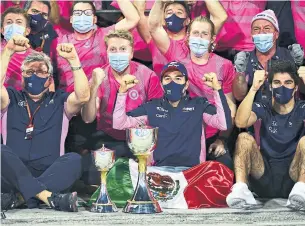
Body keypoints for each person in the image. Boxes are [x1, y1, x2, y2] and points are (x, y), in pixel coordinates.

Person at [95, 61, 233, 209]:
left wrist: (217, 90)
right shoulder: (151, 106)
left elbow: (224, 124)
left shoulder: (199, 104)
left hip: (192, 175)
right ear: (161, 85)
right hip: (158, 174)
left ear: (186, 84)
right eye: (167, 78)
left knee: (218, 171)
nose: (172, 82)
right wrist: (122, 92)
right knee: (120, 167)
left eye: (178, 78)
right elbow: (119, 123)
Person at [1, 35, 90, 212]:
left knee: (74, 160)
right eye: (29, 71)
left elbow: (83, 96)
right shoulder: (10, 97)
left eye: (41, 71)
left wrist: (73, 59)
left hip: (50, 173)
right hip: (12, 174)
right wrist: (8, 51)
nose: (35, 75)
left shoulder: (59, 99)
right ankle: (47, 197)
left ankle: (20, 198)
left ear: (49, 79)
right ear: (22, 77)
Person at [79, 30, 163, 185]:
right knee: (95, 181)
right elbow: (87, 117)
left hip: (141, 138)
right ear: (107, 52)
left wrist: (150, 149)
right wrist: (94, 86)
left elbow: (158, 115)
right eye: (113, 50)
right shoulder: (99, 76)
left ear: (131, 53)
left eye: (123, 49)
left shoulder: (147, 75)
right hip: (108, 137)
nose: (118, 54)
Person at [227, 60, 305, 211]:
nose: (282, 87)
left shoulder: (302, 107)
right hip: (264, 174)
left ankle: (303, 188)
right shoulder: (264, 105)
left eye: (288, 82)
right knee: (243, 138)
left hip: (293, 176)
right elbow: (241, 122)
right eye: (277, 82)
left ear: (295, 88)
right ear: (270, 86)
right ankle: (241, 189)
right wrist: (253, 89)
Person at [55, 0, 140, 92]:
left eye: (87, 13)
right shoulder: (60, 41)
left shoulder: (104, 35)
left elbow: (133, 19)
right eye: (78, 13)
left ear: (94, 19)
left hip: (98, 95)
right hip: (68, 97)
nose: (82, 16)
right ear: (71, 19)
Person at [134, 0, 227, 76]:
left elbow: (220, 17)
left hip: (192, 92)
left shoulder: (197, 39)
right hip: (160, 93)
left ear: (187, 20)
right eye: (169, 12)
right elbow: (142, 15)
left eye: (179, 12)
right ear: (163, 19)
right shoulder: (153, 38)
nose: (174, 15)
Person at [233, 9, 304, 103]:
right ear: (251, 35)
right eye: (256, 29)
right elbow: (239, 96)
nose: (261, 32)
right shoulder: (245, 59)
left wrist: (300, 65)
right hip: (255, 114)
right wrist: (240, 73)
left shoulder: (289, 56)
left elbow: (303, 92)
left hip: (286, 112)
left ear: (276, 34)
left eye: (267, 28)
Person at [1, 7, 33, 90]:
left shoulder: (39, 57)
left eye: (19, 22)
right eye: (9, 22)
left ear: (27, 31)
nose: (13, 26)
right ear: (2, 30)